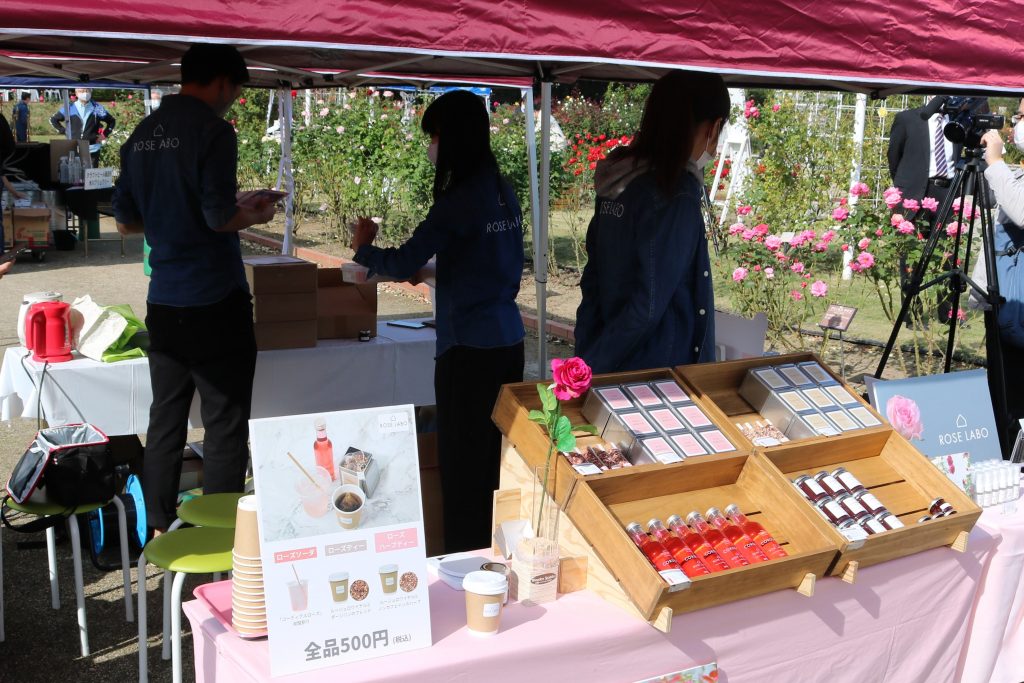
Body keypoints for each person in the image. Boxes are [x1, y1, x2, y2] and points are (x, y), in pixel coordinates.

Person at [350, 90, 525, 553]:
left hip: (467, 350)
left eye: (434, 137)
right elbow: (487, 262)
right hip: (508, 342)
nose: (431, 147)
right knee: (495, 461)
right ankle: (495, 554)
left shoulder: (457, 201)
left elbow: (402, 259)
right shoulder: (503, 191)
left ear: (452, 139)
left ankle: (465, 562)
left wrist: (365, 247)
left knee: (463, 466)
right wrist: (434, 273)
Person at [113, 45, 276, 532]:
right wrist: (256, 214)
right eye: (237, 90)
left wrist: (175, 215)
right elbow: (218, 217)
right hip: (214, 298)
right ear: (223, 82)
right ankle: (220, 535)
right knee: (225, 421)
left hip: (164, 299)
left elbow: (126, 222)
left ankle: (157, 525)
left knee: (166, 417)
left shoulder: (141, 135)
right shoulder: (213, 132)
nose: (233, 99)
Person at [574, 71, 728, 374]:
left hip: (613, 353)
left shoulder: (619, 179)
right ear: (714, 127)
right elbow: (648, 304)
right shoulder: (675, 193)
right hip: (657, 368)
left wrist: (588, 356)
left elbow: (593, 280)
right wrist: (593, 366)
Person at [981, 105, 1024, 457]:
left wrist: (996, 162)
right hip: (1006, 292)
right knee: (1004, 384)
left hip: (1017, 300)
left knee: (1016, 390)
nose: (1015, 123)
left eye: (1023, 116)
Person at [50, 88, 116, 166]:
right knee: (74, 172)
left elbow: (112, 121)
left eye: (87, 91)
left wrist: (104, 134)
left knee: (91, 173)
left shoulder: (97, 108)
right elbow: (53, 120)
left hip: (92, 149)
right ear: (76, 93)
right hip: (73, 149)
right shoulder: (69, 107)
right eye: (81, 91)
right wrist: (64, 131)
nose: (85, 93)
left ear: (91, 92)